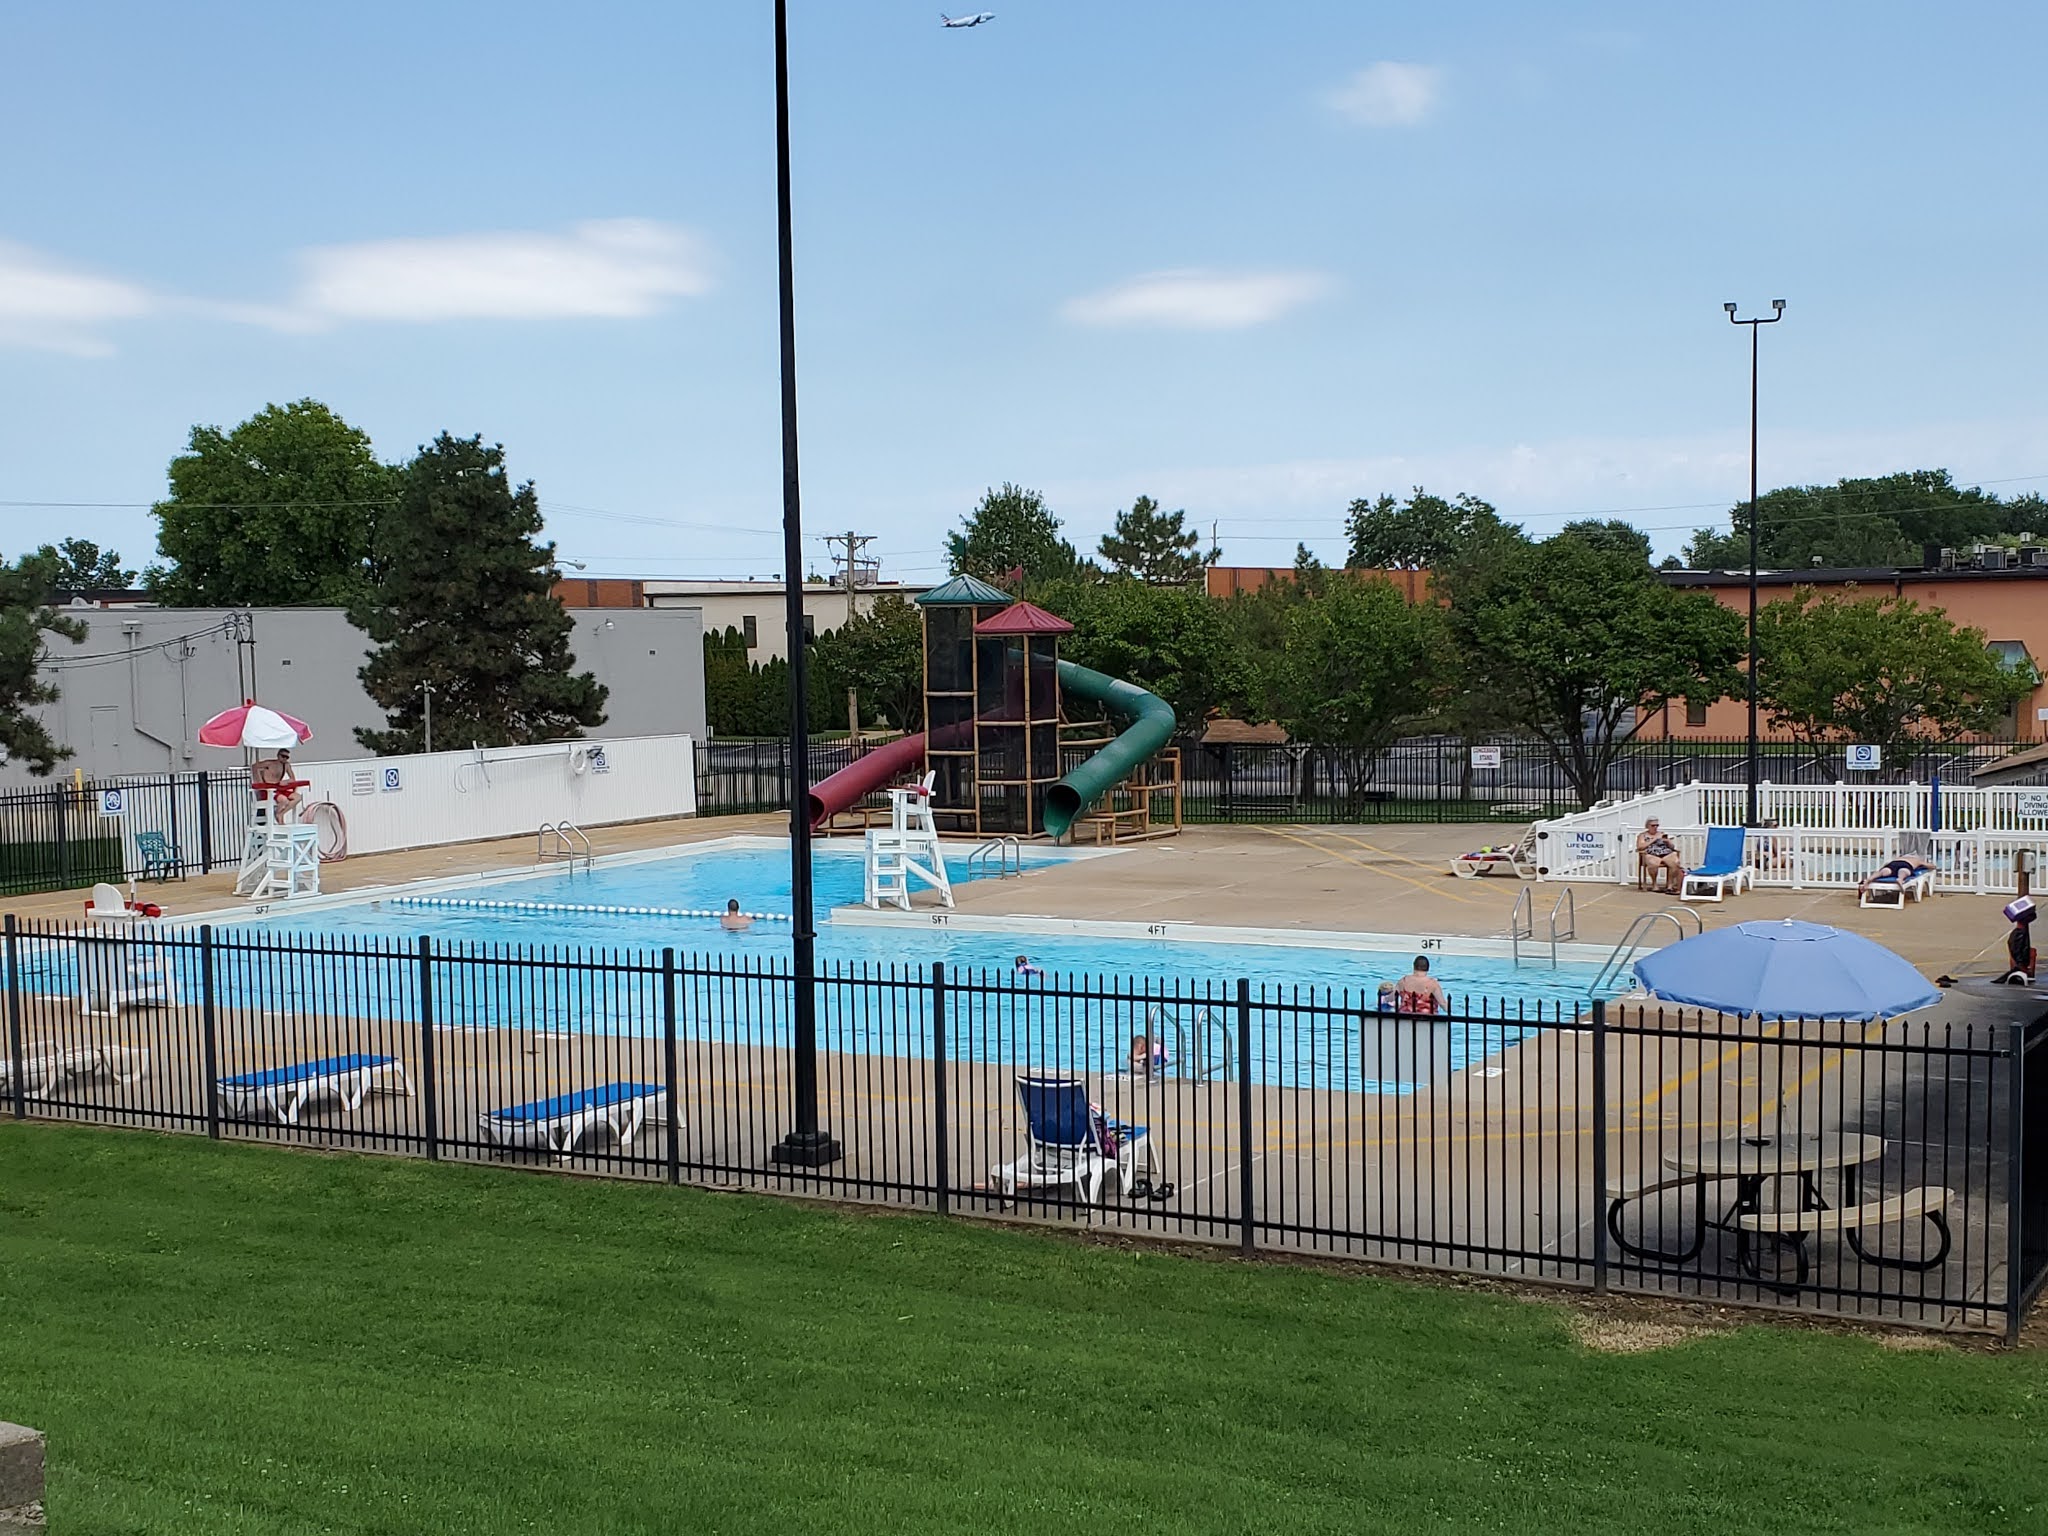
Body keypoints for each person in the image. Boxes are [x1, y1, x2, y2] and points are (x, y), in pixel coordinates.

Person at [1858, 852, 1935, 899]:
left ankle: (1869, 879)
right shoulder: (1917, 860)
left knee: (1884, 871)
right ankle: (1900, 879)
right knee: (1904, 871)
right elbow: (1931, 866)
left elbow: (1885, 865)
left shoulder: (1898, 858)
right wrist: (1931, 865)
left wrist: (1880, 871)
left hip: (1892, 864)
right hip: (1905, 865)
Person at [1636, 817, 1685, 890]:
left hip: (1666, 853)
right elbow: (1640, 847)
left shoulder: (1661, 834)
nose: (1655, 827)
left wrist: (1668, 842)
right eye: (1653, 825)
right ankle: (1654, 884)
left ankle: (1670, 885)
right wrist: (1654, 839)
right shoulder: (1642, 835)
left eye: (1657, 825)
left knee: (1675, 862)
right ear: (1647, 826)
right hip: (1652, 854)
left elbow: (1672, 847)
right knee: (1653, 864)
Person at [2007, 896, 2038, 983]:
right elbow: (2017, 953)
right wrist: (2025, 969)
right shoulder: (2019, 935)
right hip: (2021, 968)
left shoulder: (2019, 933)